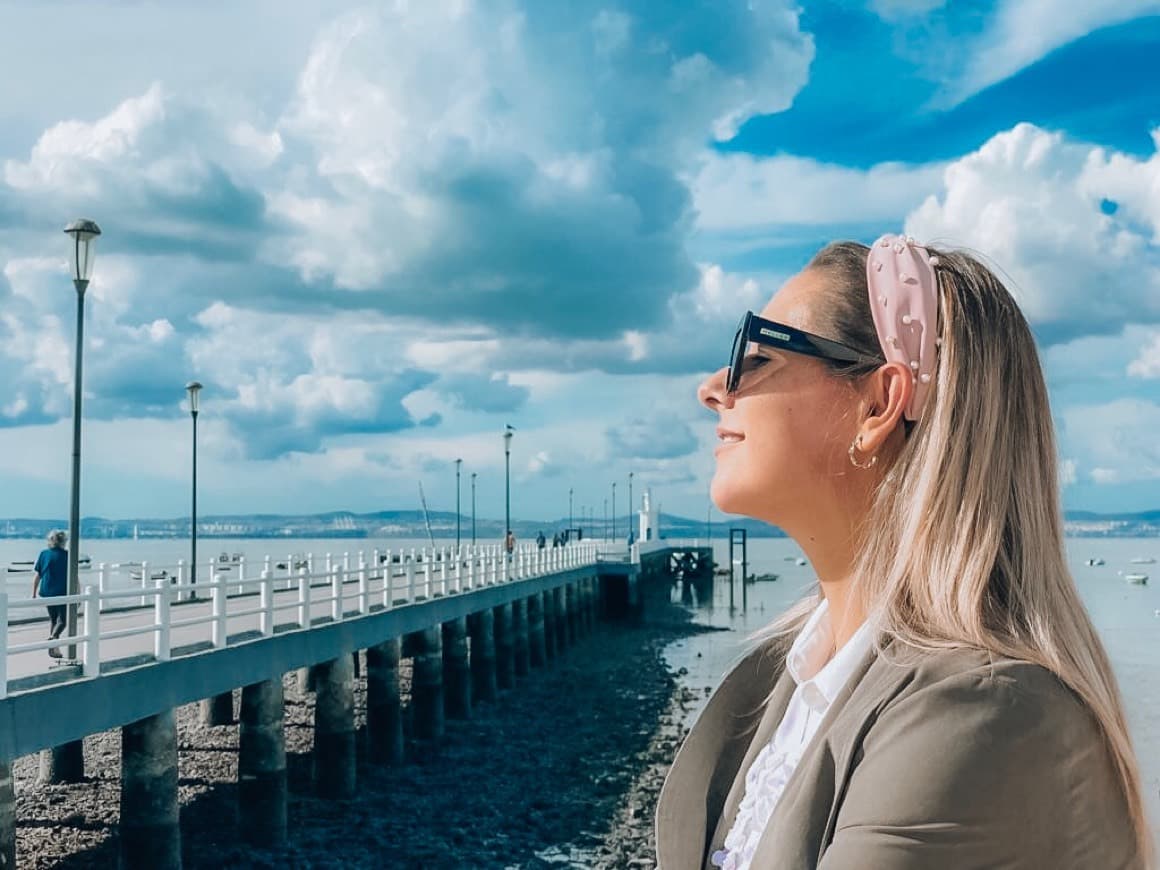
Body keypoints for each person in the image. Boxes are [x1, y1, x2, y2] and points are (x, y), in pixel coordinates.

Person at [655, 235, 1149, 869]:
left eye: (757, 352)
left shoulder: (982, 714)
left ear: (879, 405)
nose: (713, 388)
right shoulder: (804, 681)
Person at [31, 529, 69, 659]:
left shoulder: (43, 554)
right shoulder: (67, 555)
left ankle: (54, 650)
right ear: (63, 541)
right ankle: (53, 639)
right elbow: (74, 576)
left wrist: (34, 593)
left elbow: (38, 575)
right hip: (61, 592)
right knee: (63, 621)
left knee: (54, 620)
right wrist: (79, 594)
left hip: (47, 591)